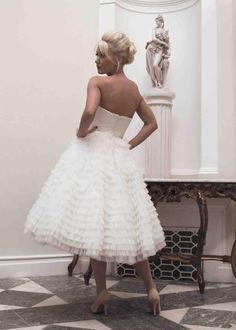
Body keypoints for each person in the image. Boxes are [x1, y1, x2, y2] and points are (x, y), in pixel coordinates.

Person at [24, 31, 166, 316]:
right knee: (131, 229)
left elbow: (90, 111)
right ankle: (151, 289)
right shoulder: (134, 90)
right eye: (96, 55)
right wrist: (128, 143)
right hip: (119, 159)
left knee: (94, 227)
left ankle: (102, 292)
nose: (96, 60)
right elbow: (152, 123)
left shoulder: (97, 82)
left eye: (102, 55)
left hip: (93, 155)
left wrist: (80, 132)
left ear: (116, 58)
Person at [146, 15, 170, 88]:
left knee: (155, 65)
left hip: (160, 50)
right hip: (152, 48)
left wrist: (165, 43)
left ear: (161, 22)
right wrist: (163, 43)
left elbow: (168, 43)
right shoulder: (154, 30)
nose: (156, 23)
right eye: (156, 21)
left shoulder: (165, 31)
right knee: (151, 66)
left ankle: (160, 83)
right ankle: (156, 83)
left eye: (157, 21)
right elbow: (153, 39)